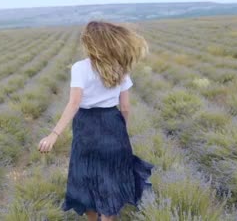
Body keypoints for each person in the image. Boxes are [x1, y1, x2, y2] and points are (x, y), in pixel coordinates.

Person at [37, 20, 155, 221]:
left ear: (91, 44)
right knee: (111, 179)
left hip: (86, 127)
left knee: (86, 178)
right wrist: (120, 131)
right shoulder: (121, 68)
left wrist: (54, 134)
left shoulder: (80, 68)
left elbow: (74, 104)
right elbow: (125, 107)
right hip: (113, 123)